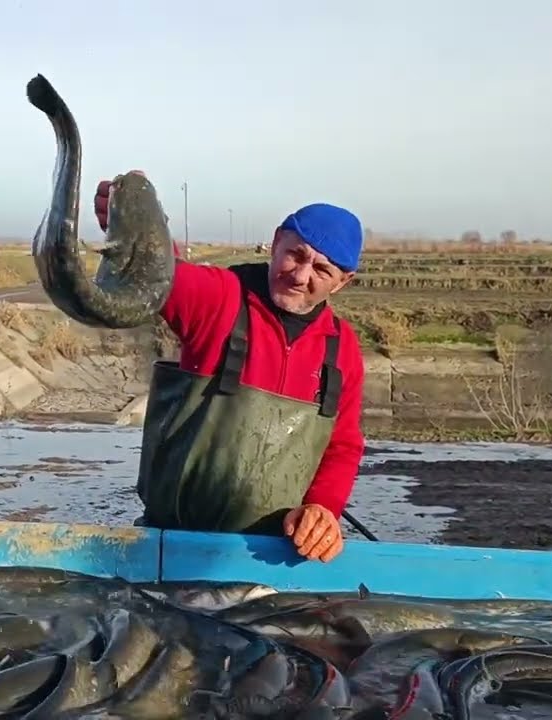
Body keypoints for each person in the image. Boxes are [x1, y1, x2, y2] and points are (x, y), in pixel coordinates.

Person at [94, 173, 366, 563]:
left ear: (342, 282)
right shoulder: (219, 297)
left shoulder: (342, 349)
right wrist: (135, 220)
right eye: (295, 254)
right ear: (276, 241)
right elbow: (160, 272)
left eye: (322, 270)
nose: (300, 276)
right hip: (174, 545)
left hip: (274, 555)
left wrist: (323, 508)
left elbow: (343, 445)